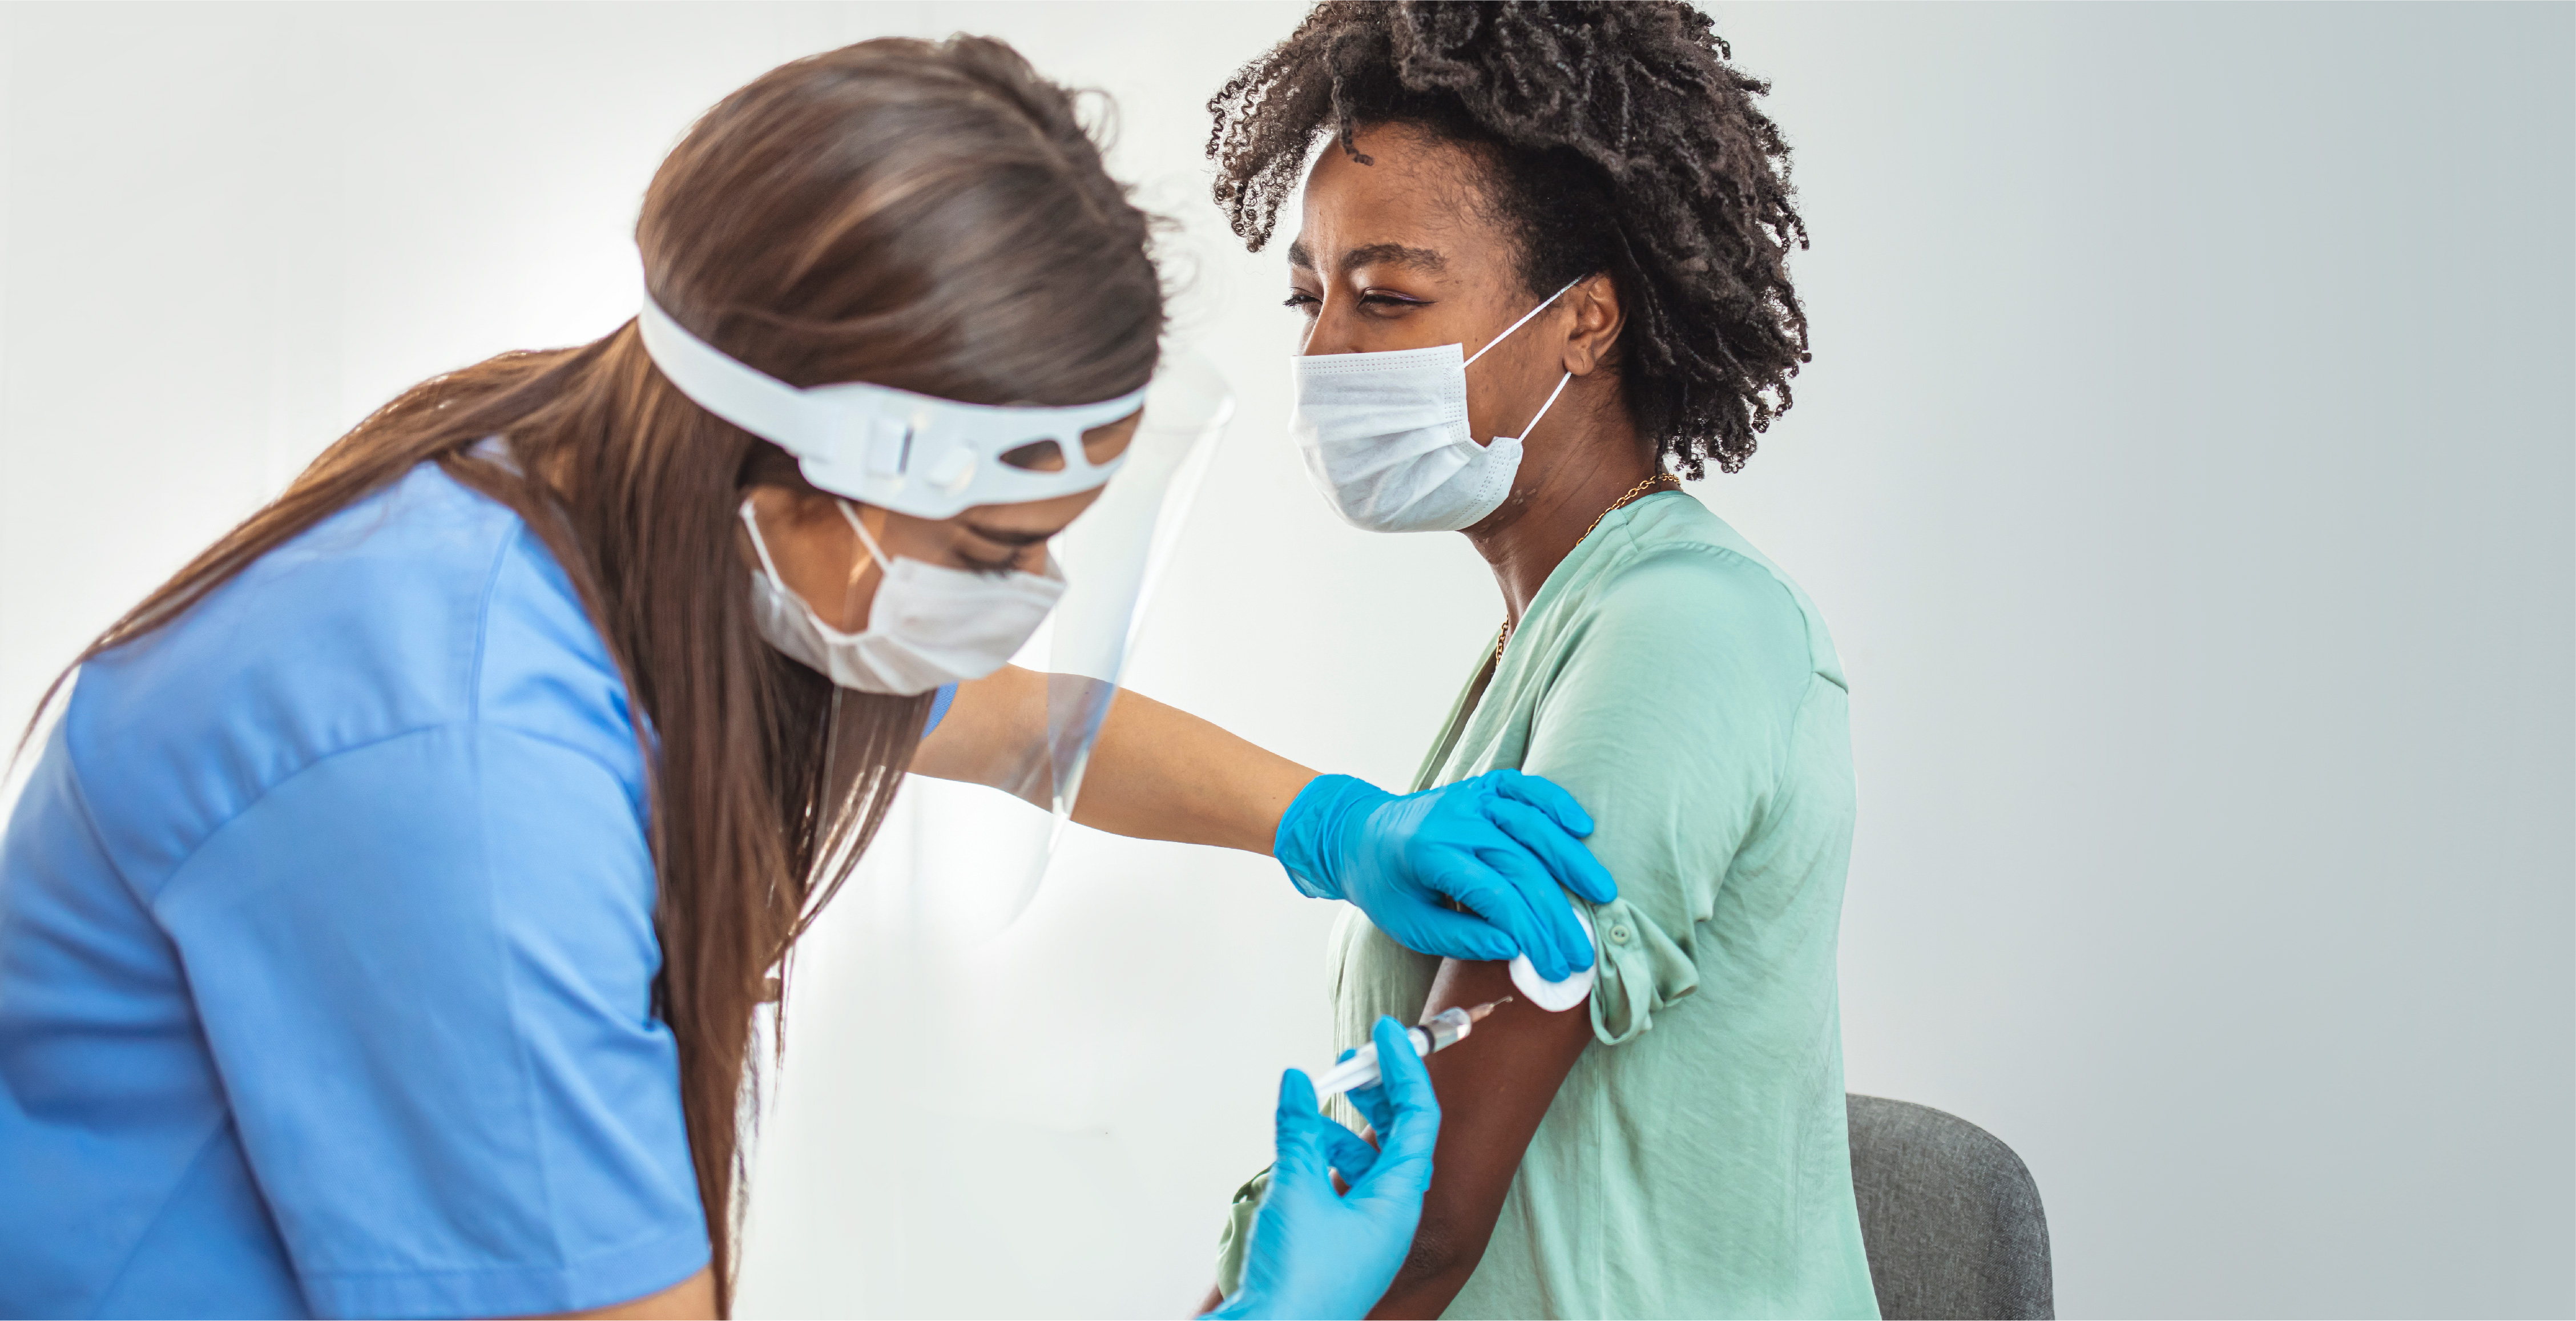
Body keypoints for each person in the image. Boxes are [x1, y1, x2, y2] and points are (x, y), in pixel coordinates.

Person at [0, 37, 1614, 1320]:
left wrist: (1340, 827)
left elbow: (1028, 725)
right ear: (809, 466)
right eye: (986, 550)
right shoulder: (456, 772)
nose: (1012, 605)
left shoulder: (606, 505)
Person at [1203, 3, 1882, 1318]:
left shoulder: (1681, 629)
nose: (1323, 352)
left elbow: (1429, 1210)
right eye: (1311, 294)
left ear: (1586, 325)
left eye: (1387, 296)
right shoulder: (1547, 633)